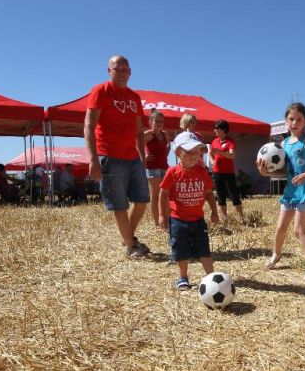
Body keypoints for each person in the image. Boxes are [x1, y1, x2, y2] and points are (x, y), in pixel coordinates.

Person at [85, 55, 151, 259]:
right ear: (109, 71)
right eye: (117, 69)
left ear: (130, 72)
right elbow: (89, 125)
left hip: (133, 157)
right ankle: (131, 247)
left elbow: (139, 131)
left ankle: (128, 237)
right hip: (110, 157)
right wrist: (94, 159)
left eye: (125, 69)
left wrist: (142, 156)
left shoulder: (134, 97)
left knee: (141, 201)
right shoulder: (100, 91)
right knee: (120, 205)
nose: (122, 73)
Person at [257, 102, 305, 282]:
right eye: (291, 119)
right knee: (281, 228)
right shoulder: (284, 144)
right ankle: (276, 255)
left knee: (298, 230)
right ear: (285, 121)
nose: (294, 122)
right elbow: (283, 171)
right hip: (290, 191)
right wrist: (264, 172)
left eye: (299, 119)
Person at [159, 132, 220, 291]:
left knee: (204, 249)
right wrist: (161, 215)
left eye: (197, 151)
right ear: (177, 152)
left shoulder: (203, 172)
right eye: (189, 152)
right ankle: (183, 277)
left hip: (198, 220)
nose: (194, 156)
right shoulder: (172, 172)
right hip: (178, 220)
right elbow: (164, 193)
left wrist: (214, 211)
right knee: (182, 251)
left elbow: (208, 194)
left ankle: (211, 277)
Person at [210, 119, 246, 224]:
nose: (214, 130)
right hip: (217, 172)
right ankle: (224, 220)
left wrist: (220, 152)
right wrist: (212, 162)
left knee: (234, 195)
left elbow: (232, 155)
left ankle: (241, 219)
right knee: (221, 197)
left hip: (229, 173)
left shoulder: (231, 141)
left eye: (216, 128)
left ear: (223, 129)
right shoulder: (214, 141)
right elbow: (210, 152)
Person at [144, 110, 171, 223]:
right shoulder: (148, 134)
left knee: (166, 194)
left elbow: (168, 147)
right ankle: (157, 223)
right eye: (156, 121)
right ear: (151, 122)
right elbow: (135, 145)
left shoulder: (166, 134)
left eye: (161, 121)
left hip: (164, 167)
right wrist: (143, 156)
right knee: (155, 195)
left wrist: (165, 155)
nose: (159, 123)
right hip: (152, 168)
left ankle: (167, 220)